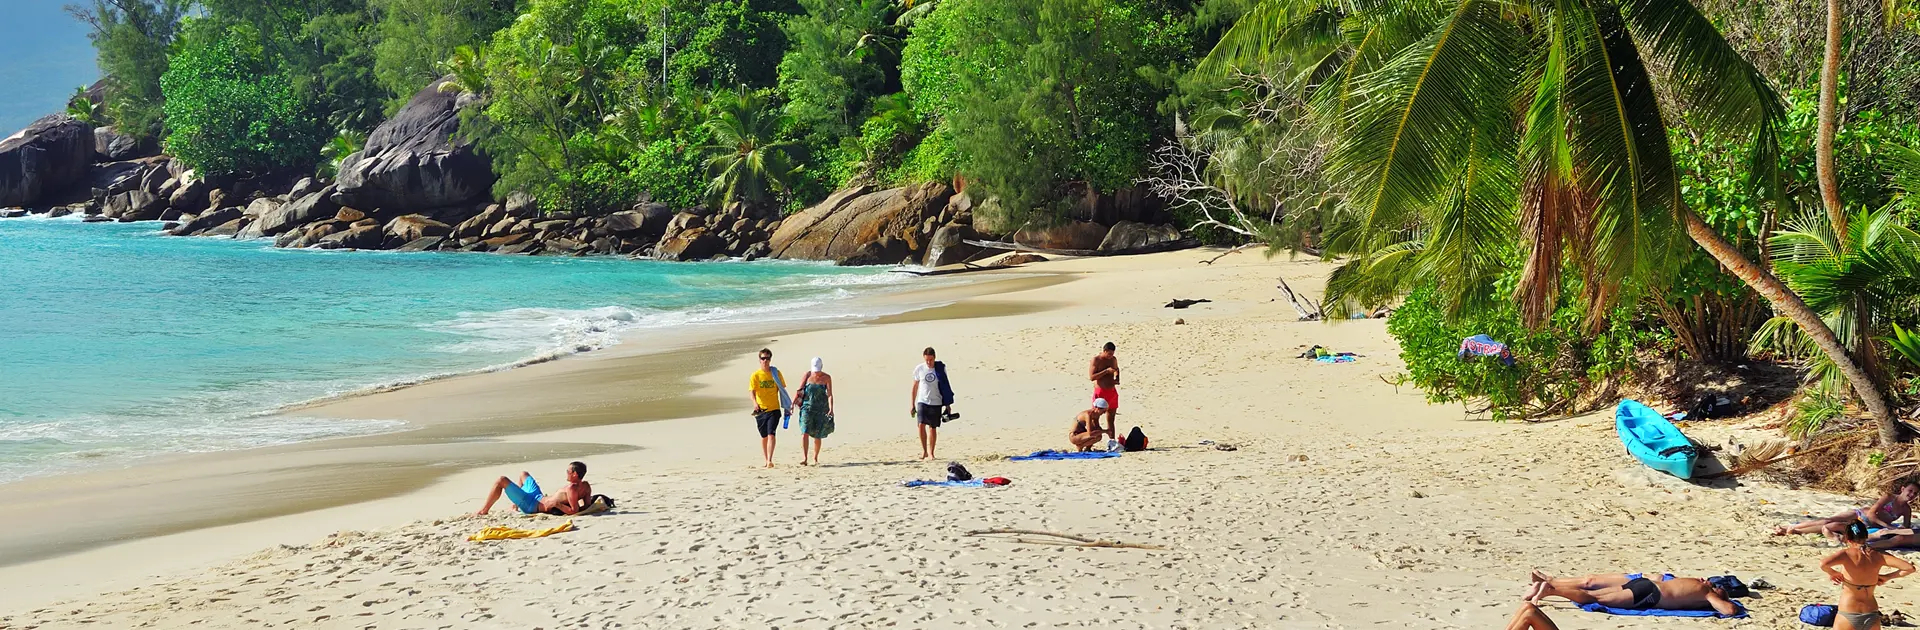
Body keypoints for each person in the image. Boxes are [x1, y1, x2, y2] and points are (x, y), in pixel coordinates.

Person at [1821, 521, 1917, 629]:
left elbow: (1823, 564)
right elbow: (1909, 568)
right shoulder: (1879, 555)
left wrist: (1833, 572)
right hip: (1871, 613)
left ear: (1848, 538)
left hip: (1848, 612)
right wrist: (1887, 577)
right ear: (1866, 536)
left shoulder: (1846, 554)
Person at [1525, 571, 1741, 615]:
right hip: (1649, 596)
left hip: (1644, 584)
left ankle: (1550, 588)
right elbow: (1729, 610)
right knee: (1594, 598)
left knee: (1593, 592)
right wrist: (1720, 600)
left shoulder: (1694, 581)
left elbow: (1658, 576)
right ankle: (1551, 591)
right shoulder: (1706, 593)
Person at [1776, 478, 1920, 539]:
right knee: (1828, 520)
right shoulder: (1889, 497)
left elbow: (1905, 526)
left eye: (1915, 493)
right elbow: (1871, 513)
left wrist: (1899, 529)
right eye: (1910, 491)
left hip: (1867, 526)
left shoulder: (1906, 509)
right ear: (1902, 489)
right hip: (1860, 515)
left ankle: (1794, 530)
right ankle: (1792, 526)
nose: (1911, 495)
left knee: (1831, 526)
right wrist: (1887, 525)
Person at [475, 461, 592, 516]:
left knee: (501, 480)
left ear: (575, 474)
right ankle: (516, 505)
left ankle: (484, 510)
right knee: (523, 474)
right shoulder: (586, 486)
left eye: (568, 471)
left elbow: (574, 511)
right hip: (537, 496)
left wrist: (558, 505)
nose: (566, 473)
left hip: (532, 505)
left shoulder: (572, 488)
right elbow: (587, 506)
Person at [749, 348, 789, 468]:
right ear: (759, 360)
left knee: (771, 433)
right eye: (763, 358)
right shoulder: (756, 375)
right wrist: (755, 403)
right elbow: (752, 391)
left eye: (767, 358)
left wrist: (787, 405)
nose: (765, 361)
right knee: (764, 436)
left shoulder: (776, 373)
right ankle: (766, 459)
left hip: (774, 409)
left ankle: (770, 460)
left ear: (770, 359)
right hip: (761, 410)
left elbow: (782, 389)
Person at [793, 357, 835, 466]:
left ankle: (815, 457)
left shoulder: (827, 378)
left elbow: (830, 394)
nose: (816, 372)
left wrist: (831, 408)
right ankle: (805, 458)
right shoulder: (807, 375)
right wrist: (792, 403)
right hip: (807, 408)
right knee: (804, 431)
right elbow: (799, 390)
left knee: (818, 435)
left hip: (821, 409)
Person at [910, 347, 945, 460]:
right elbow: (915, 387)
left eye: (931, 360)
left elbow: (945, 386)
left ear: (934, 358)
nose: (929, 362)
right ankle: (924, 451)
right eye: (927, 360)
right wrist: (912, 404)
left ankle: (931, 453)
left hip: (936, 401)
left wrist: (948, 404)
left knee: (932, 428)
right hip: (922, 400)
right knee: (921, 425)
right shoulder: (920, 369)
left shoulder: (940, 369)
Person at [1088, 342, 1120, 438]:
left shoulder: (1113, 359)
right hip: (1100, 391)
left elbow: (1117, 369)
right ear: (1104, 351)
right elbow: (1092, 377)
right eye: (1109, 354)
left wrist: (1117, 378)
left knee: (1111, 418)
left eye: (1112, 354)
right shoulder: (1096, 360)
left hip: (1111, 392)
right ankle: (1091, 442)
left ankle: (1112, 442)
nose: (1111, 356)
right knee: (1095, 418)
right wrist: (1106, 371)